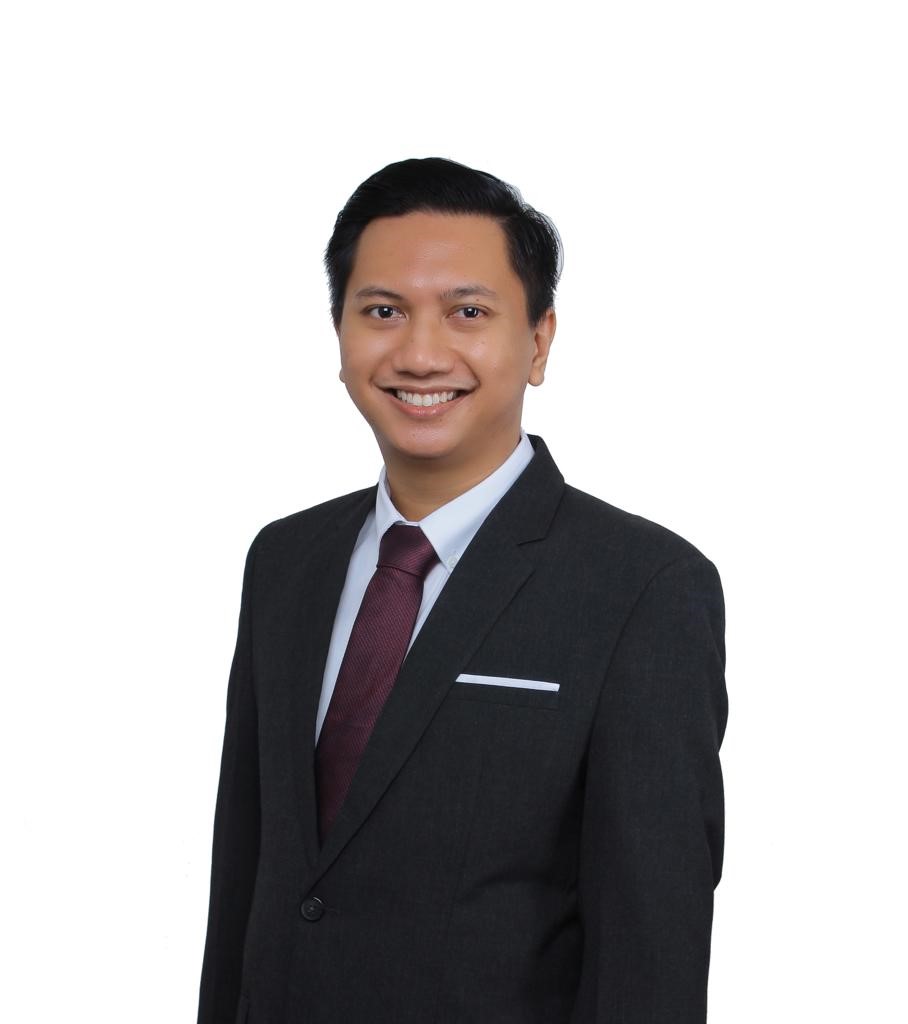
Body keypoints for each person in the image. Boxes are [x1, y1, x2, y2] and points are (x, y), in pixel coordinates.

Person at [196, 157, 728, 1024]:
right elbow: (247, 885)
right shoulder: (285, 561)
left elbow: (650, 958)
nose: (419, 353)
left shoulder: (643, 587)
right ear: (339, 331)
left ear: (539, 341)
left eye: (468, 313)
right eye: (382, 311)